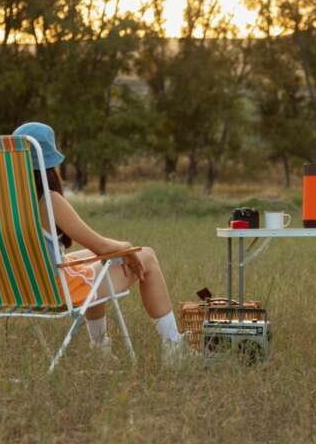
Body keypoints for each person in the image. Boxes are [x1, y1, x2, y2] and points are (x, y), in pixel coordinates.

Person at [13, 122, 193, 366]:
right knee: (146, 255)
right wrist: (127, 247)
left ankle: (100, 353)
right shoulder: (49, 201)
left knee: (88, 260)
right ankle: (173, 347)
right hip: (52, 290)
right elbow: (101, 246)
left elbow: (95, 250)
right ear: (50, 164)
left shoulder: (4, 204)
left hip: (18, 286)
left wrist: (117, 250)